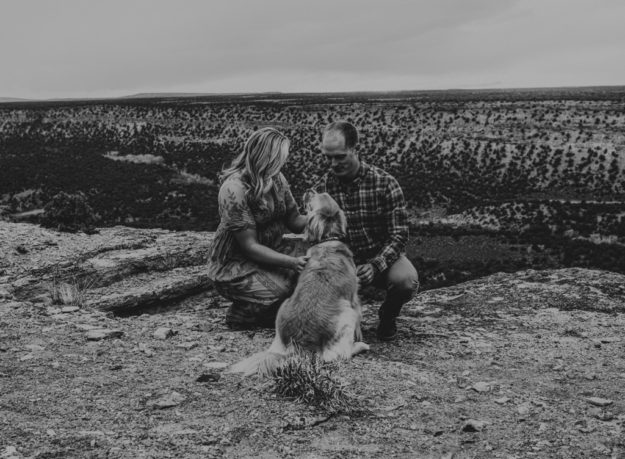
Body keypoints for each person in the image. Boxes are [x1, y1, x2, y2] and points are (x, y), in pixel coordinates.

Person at [313, 120, 419, 341]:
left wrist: (375, 265)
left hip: (381, 258)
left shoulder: (385, 184)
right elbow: (320, 238)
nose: (333, 163)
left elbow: (399, 234)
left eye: (340, 156)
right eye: (328, 157)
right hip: (344, 262)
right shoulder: (321, 190)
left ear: (355, 150)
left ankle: (388, 317)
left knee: (406, 282)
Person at [207, 127, 309, 329]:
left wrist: (322, 216)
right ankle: (243, 315)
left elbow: (295, 221)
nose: (284, 161)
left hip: (273, 249)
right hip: (235, 263)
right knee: (280, 289)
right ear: (267, 157)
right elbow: (250, 246)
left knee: (317, 261)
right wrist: (292, 262)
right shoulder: (233, 189)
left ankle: (276, 312)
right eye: (281, 157)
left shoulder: (277, 179)